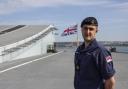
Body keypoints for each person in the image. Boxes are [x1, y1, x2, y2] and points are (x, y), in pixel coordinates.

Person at [74, 17, 116, 89]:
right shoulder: (79, 50)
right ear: (81, 29)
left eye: (91, 29)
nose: (87, 32)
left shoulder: (100, 51)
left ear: (96, 30)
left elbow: (110, 81)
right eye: (85, 28)